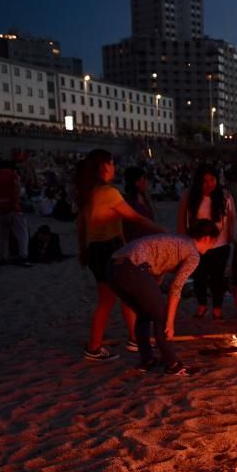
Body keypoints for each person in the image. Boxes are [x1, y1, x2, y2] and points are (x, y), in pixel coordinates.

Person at [77, 149, 164, 361]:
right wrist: (163, 231)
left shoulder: (88, 192)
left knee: (120, 297)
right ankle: (95, 347)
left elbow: (81, 225)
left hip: (95, 249)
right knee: (114, 299)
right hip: (109, 250)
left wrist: (82, 250)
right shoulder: (109, 193)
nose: (114, 168)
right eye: (112, 163)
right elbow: (135, 218)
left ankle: (132, 339)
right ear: (104, 167)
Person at [106, 221, 220, 376]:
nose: (214, 245)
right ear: (207, 238)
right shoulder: (193, 254)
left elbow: (157, 270)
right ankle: (173, 365)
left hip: (113, 268)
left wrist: (154, 294)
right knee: (161, 317)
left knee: (144, 313)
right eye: (214, 241)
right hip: (133, 267)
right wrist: (170, 322)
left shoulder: (177, 240)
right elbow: (176, 287)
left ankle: (147, 360)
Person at [177, 164, 236, 321]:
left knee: (217, 278)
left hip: (220, 245)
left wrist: (232, 237)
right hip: (196, 244)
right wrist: (183, 240)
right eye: (204, 181)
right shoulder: (190, 196)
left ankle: (217, 309)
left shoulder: (225, 196)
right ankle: (201, 306)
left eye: (212, 180)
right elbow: (182, 219)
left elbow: (231, 218)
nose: (208, 184)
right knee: (199, 277)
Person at [0, 160, 30, 264]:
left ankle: (3, 256)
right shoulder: (11, 174)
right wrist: (16, 202)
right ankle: (23, 255)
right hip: (12, 208)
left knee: (2, 236)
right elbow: (17, 186)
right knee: (22, 233)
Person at [122, 167, 157, 242]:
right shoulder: (128, 201)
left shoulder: (144, 196)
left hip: (149, 238)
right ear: (136, 182)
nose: (146, 182)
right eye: (143, 179)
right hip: (136, 241)